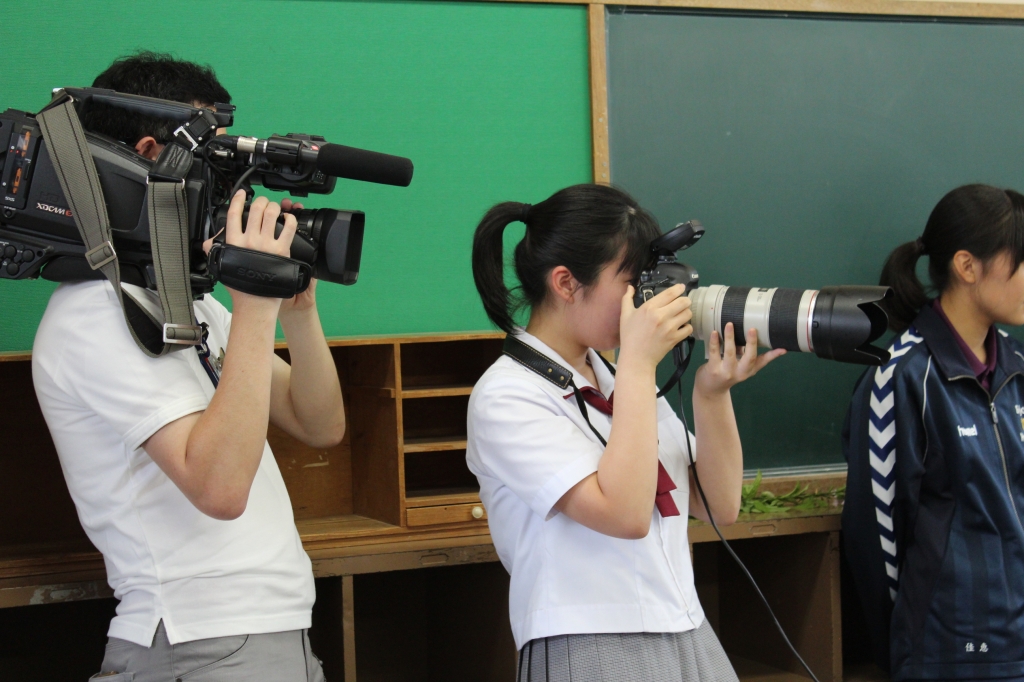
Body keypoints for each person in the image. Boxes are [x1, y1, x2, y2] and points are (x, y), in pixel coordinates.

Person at [32, 53, 343, 681]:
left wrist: (297, 311)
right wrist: (254, 306)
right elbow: (220, 489)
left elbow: (319, 424)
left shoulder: (188, 305)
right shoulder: (95, 313)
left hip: (255, 632)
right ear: (152, 154)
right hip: (199, 640)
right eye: (213, 161)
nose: (230, 187)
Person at [466, 183, 784, 682]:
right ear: (566, 283)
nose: (649, 302)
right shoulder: (506, 395)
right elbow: (625, 514)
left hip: (684, 622)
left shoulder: (618, 378)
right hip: (587, 640)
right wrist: (638, 363)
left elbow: (719, 505)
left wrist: (711, 394)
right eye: (633, 282)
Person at [843, 184, 1024, 681]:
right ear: (968, 266)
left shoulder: (1017, 366)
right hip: (948, 654)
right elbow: (875, 538)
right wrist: (910, 646)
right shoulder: (901, 378)